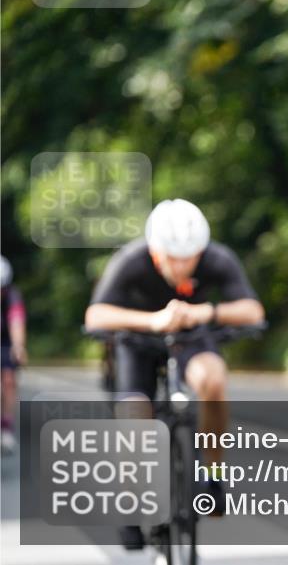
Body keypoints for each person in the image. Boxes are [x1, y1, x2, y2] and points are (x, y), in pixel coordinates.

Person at [85, 199, 265, 549]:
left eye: (191, 257)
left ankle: (211, 474)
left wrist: (204, 313)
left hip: (192, 337)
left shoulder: (218, 258)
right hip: (136, 341)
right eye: (173, 257)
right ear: (155, 250)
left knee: (213, 380)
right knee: (134, 413)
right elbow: (96, 315)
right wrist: (151, 321)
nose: (182, 265)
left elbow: (252, 309)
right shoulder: (131, 260)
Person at [1, 255, 28, 455]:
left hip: (5, 341)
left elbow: (16, 321)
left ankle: (6, 426)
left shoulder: (13, 295)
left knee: (9, 380)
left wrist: (19, 346)